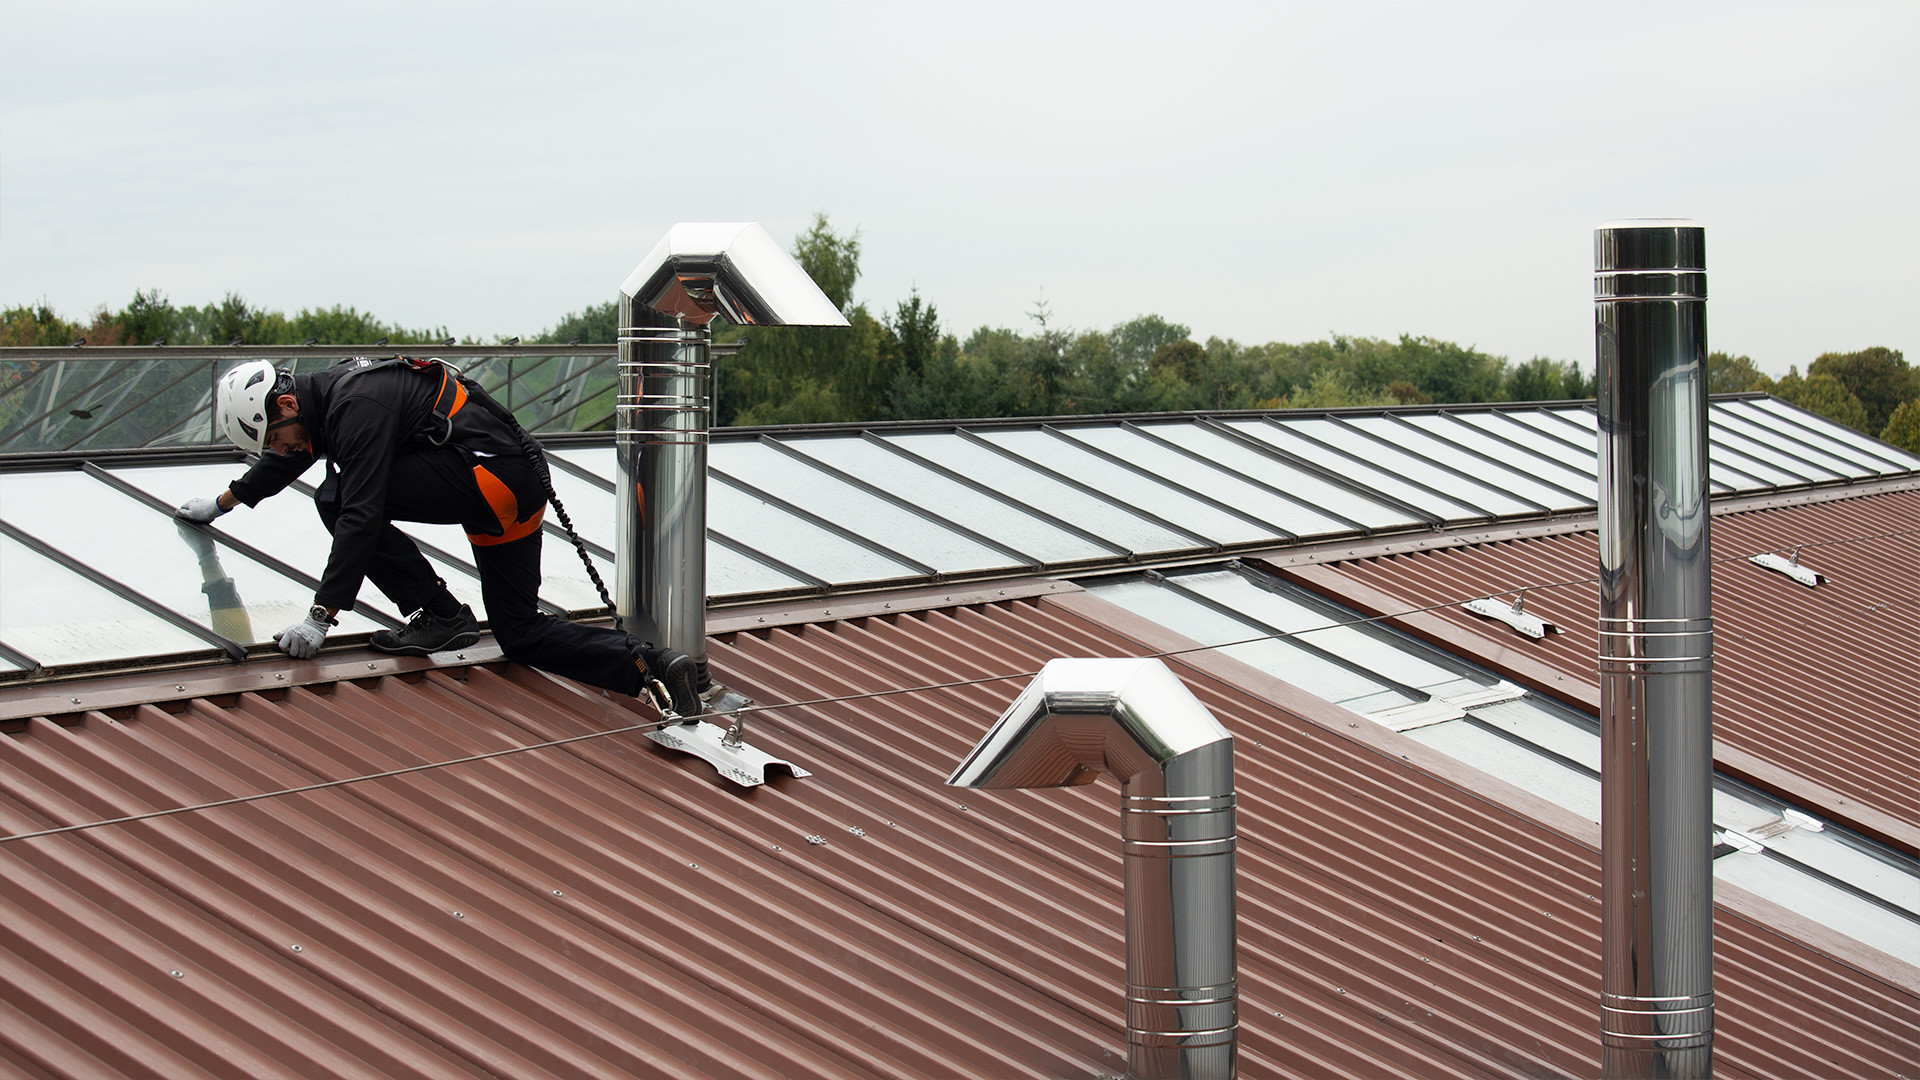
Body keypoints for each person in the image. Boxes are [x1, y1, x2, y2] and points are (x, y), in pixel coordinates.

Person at [176, 356, 701, 717]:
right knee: (519, 633)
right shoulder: (327, 401)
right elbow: (293, 458)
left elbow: (360, 512)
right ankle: (654, 666)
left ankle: (443, 616)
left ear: (286, 406)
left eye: (277, 440)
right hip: (509, 485)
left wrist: (321, 618)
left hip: (486, 479)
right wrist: (224, 503)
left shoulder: (356, 405)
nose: (284, 451)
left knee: (338, 499)